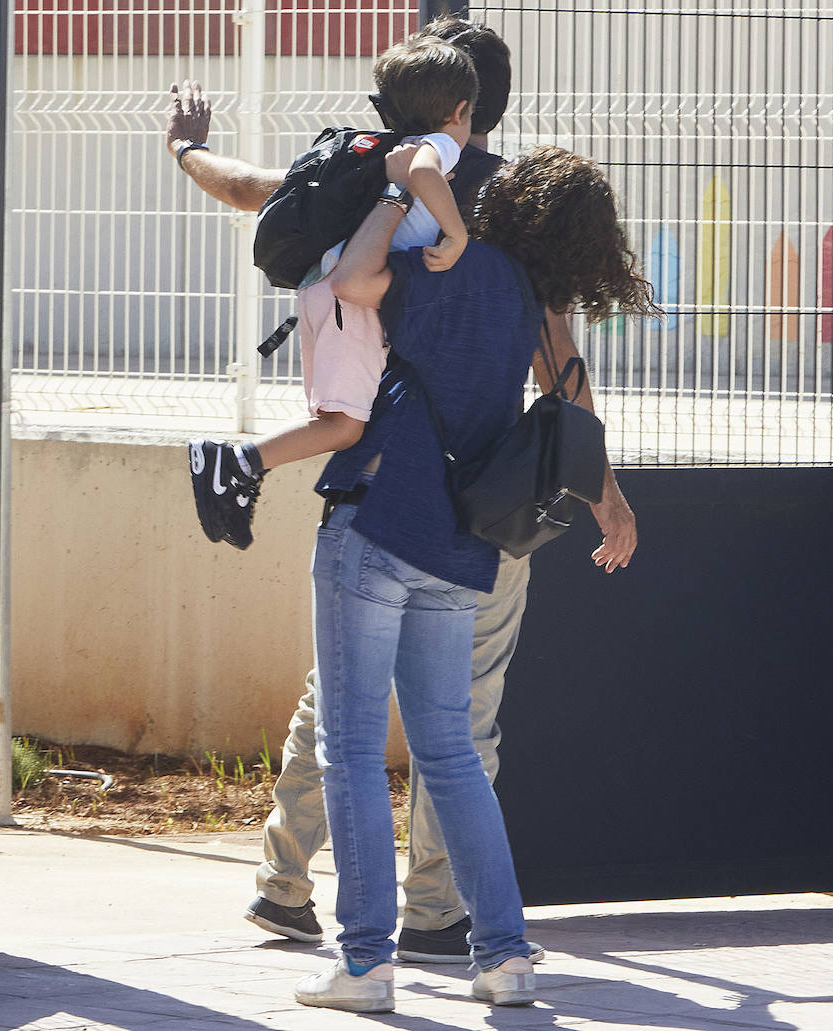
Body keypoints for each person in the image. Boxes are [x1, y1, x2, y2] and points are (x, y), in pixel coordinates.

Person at [164, 17, 638, 964]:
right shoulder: (521, 209)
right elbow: (562, 369)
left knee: (335, 701)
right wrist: (605, 491)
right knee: (462, 721)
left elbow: (253, 191)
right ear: (487, 105)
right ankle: (435, 911)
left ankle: (285, 883)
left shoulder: (369, 178)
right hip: (479, 503)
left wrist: (186, 149)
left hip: (371, 484)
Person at [293, 141, 658, 1012]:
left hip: (379, 525)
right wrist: (614, 501)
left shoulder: (453, 265)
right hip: (464, 553)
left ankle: (364, 964)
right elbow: (574, 420)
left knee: (349, 748)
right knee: (451, 754)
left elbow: (350, 284)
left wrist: (391, 195)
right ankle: (504, 955)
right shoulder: (536, 311)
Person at [186, 36, 478, 549]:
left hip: (321, 293)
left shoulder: (378, 152)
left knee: (333, 418)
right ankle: (235, 462)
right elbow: (426, 171)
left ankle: (237, 472)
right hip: (352, 305)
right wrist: (456, 234)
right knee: (344, 426)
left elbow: (251, 188)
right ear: (459, 110)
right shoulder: (439, 144)